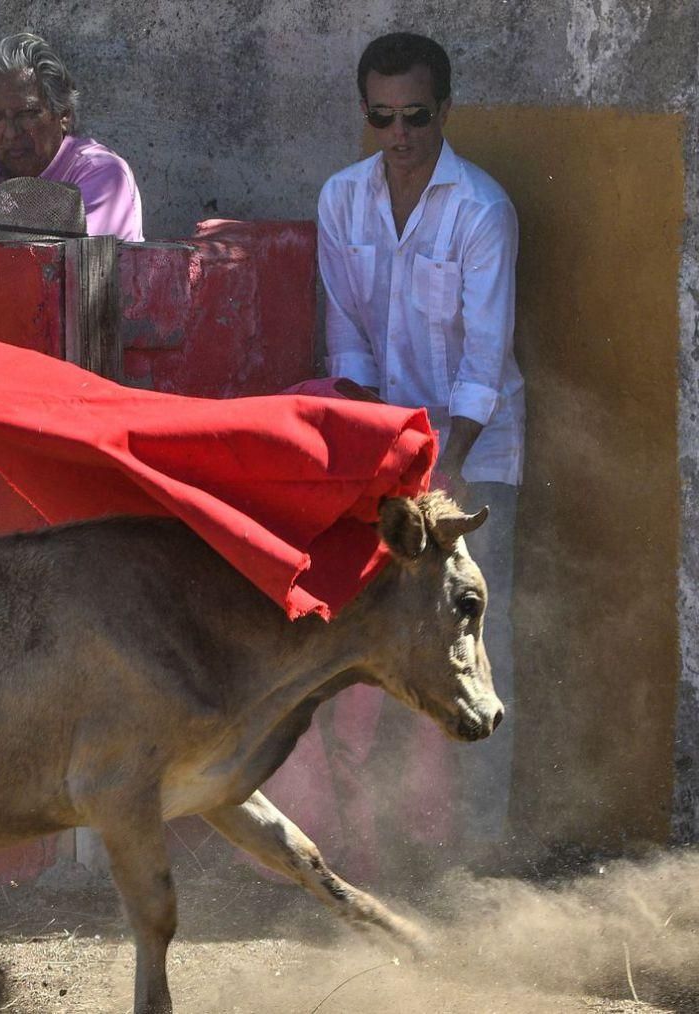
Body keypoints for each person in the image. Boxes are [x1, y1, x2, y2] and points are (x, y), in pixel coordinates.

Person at [317, 32, 523, 846]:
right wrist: (383, 471)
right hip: (390, 468)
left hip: (475, 463)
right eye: (381, 116)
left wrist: (443, 483)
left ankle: (478, 852)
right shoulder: (342, 198)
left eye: (414, 115)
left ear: (444, 109)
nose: (398, 134)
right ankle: (393, 845)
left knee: (472, 644)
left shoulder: (483, 210)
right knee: (386, 653)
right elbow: (350, 347)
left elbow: (483, 367)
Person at [0, 32, 144, 240]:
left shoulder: (102, 174)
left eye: (27, 114)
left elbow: (46, 266)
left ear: (64, 115)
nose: (12, 133)